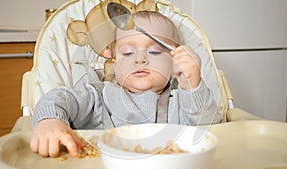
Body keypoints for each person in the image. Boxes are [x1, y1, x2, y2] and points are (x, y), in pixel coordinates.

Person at [30, 11, 223, 158]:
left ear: (174, 62)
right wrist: (51, 121)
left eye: (155, 52)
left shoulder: (182, 99)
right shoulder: (99, 97)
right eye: (128, 53)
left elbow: (210, 132)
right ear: (115, 62)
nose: (140, 59)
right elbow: (60, 98)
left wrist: (192, 84)